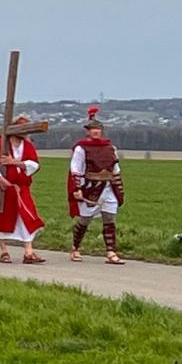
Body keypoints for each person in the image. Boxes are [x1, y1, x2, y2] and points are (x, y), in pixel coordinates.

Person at [0, 116, 46, 265]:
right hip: (2, 187)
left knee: (28, 216)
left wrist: (15, 162)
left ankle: (28, 252)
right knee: (0, 218)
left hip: (21, 188)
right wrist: (0, 179)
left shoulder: (27, 146)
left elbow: (34, 165)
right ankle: (4, 251)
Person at [68, 107, 124, 265]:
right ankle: (75, 247)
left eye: (98, 129)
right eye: (92, 129)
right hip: (91, 187)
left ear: (102, 131)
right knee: (85, 220)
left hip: (108, 187)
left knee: (109, 219)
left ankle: (111, 252)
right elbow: (76, 170)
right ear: (88, 131)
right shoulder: (81, 148)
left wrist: (118, 187)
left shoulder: (110, 148)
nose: (95, 132)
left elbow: (116, 169)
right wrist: (77, 189)